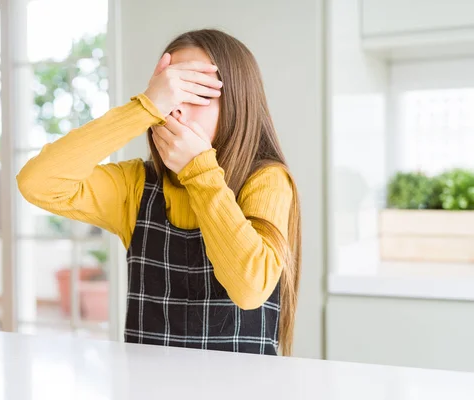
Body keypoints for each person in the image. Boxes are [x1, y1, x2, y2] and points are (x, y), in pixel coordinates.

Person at [17, 29, 302, 356]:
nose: (175, 111)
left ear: (238, 103)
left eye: (196, 92)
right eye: (168, 95)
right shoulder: (136, 185)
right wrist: (144, 107)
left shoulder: (267, 180)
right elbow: (37, 182)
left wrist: (199, 170)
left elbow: (250, 290)